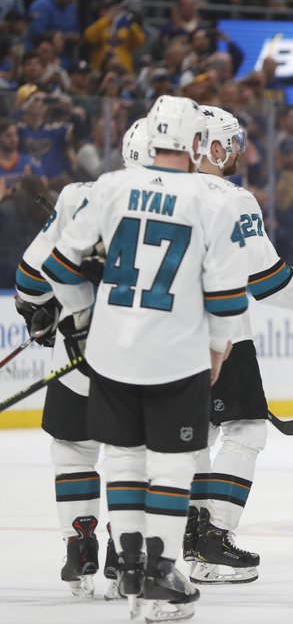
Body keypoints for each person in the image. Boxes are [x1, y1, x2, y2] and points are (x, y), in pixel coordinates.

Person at [42, 95, 249, 622]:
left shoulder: (109, 187)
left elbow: (60, 265)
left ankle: (129, 566)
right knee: (172, 465)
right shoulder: (215, 199)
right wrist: (218, 349)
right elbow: (226, 297)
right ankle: (160, 570)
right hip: (177, 356)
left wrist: (86, 319)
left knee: (126, 460)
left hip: (112, 356)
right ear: (196, 143)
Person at [184, 106, 293, 585]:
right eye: (232, 142)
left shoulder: (155, 193)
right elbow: (266, 278)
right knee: (245, 429)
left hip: (165, 338)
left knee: (191, 435)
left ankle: (168, 537)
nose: (240, 151)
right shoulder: (232, 199)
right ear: (213, 149)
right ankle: (211, 537)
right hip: (222, 334)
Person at [11, 121, 151, 600]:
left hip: (79, 354)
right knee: (136, 456)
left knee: (74, 450)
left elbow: (32, 275)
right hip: (152, 355)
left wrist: (40, 311)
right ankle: (127, 556)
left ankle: (80, 546)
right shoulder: (198, 202)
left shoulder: (80, 195)